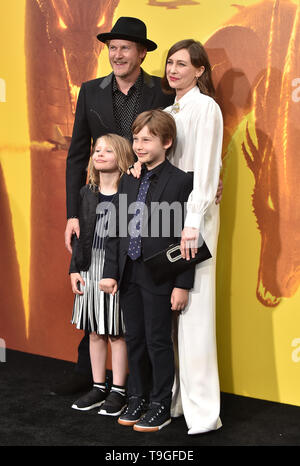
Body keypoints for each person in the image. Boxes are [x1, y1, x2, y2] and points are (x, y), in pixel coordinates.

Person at [51, 17, 174, 396]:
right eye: (112, 47)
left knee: (135, 287)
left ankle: (138, 383)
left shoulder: (163, 92)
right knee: (96, 279)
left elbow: (175, 145)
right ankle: (90, 374)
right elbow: (76, 156)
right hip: (98, 203)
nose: (117, 54)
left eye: (125, 47)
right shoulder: (90, 91)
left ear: (141, 52)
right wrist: (73, 212)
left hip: (145, 200)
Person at [130, 39, 223, 435]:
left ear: (200, 70)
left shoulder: (207, 109)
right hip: (164, 218)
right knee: (164, 314)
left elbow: (205, 168)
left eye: (182, 64)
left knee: (193, 311)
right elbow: (157, 157)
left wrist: (194, 221)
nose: (173, 70)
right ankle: (172, 399)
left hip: (192, 219)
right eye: (169, 62)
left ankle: (202, 410)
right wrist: (137, 165)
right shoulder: (168, 112)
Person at [100, 110, 195, 432]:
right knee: (135, 338)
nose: (139, 145)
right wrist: (111, 272)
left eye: (147, 139)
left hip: (160, 276)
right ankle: (137, 396)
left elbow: (188, 236)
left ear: (166, 142)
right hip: (129, 273)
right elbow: (117, 229)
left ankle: (160, 404)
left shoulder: (182, 181)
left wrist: (182, 283)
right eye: (136, 139)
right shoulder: (129, 178)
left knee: (158, 341)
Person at [69, 134, 134, 415]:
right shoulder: (87, 193)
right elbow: (80, 237)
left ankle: (118, 390)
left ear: (121, 157)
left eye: (108, 150)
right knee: (95, 330)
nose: (100, 154)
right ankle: (98, 386)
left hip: (115, 270)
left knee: (116, 331)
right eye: (97, 150)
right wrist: (74, 269)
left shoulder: (130, 192)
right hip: (89, 268)